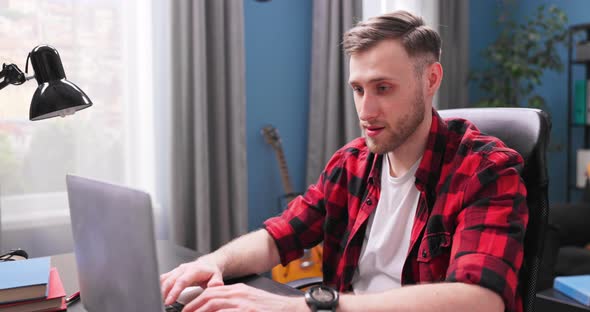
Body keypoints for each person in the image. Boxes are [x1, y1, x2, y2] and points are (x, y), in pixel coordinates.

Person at [160, 10, 527, 312]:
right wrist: (214, 262)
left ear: (430, 79)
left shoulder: (486, 170)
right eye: (358, 89)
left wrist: (309, 306)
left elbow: (480, 299)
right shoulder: (351, 163)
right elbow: (279, 236)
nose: (365, 110)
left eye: (383, 88)